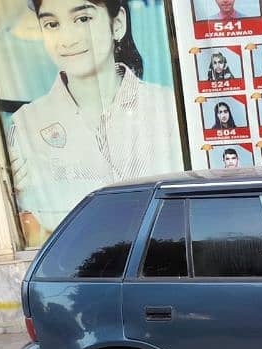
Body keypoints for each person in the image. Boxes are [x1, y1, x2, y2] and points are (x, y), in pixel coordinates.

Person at [9, 0, 183, 243]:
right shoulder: (27, 123)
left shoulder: (166, 107)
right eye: (52, 24)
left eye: (83, 19)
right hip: (76, 266)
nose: (67, 39)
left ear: (118, 23)